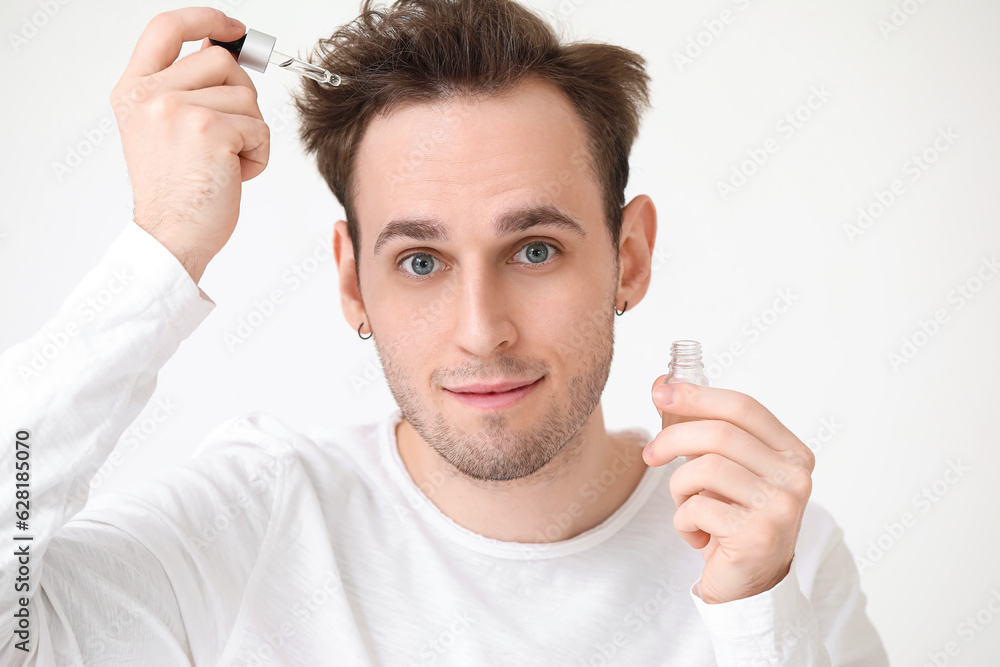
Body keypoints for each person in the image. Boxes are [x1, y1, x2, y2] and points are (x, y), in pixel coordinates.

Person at [0, 1, 890, 664]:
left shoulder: (774, 550)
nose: (480, 332)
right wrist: (160, 247)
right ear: (353, 281)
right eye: (421, 261)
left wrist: (755, 616)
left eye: (534, 249)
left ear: (630, 258)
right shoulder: (251, 521)